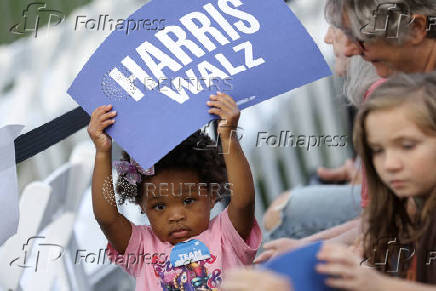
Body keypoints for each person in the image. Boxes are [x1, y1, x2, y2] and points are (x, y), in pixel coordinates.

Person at [87, 92, 261, 290]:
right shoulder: (142, 248)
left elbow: (244, 201)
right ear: (141, 205)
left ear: (212, 195)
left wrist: (228, 136)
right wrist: (102, 153)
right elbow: (107, 219)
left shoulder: (227, 236)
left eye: (188, 200)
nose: (176, 215)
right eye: (159, 206)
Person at [258, 0, 381, 263]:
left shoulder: (384, 99)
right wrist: (363, 167)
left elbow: (385, 221)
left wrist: (306, 248)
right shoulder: (386, 93)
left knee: (284, 214)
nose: (326, 38)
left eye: (336, 27)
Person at [317, 72, 436, 290]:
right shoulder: (413, 209)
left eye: (408, 145)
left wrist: (377, 284)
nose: (389, 164)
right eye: (377, 150)